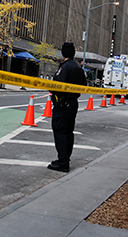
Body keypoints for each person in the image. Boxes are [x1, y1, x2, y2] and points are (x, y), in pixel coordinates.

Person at [48, 42, 87, 173]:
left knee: (60, 131)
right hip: (73, 103)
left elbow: (57, 86)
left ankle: (63, 162)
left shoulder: (65, 68)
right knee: (68, 132)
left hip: (63, 104)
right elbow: (84, 85)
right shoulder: (78, 67)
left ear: (63, 52)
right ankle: (65, 159)